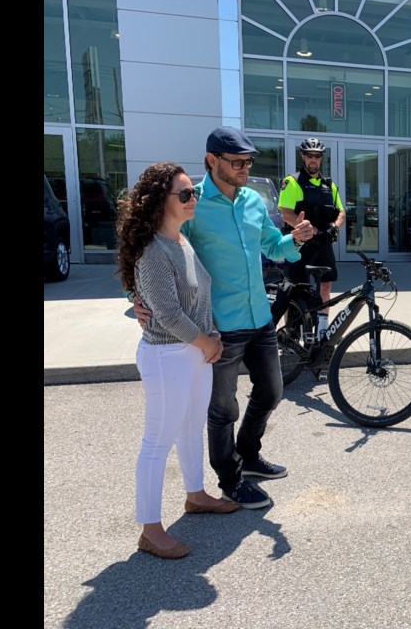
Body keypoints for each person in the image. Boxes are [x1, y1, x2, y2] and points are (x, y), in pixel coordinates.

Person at [134, 127, 317, 509]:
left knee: (271, 391)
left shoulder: (252, 201)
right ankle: (229, 478)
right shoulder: (192, 203)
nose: (244, 169)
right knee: (222, 408)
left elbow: (273, 246)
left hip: (260, 316)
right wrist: (135, 295)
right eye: (236, 162)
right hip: (219, 326)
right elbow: (148, 246)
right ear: (212, 161)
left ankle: (248, 456)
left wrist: (296, 238)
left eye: (248, 162)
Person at [116, 162, 240, 560]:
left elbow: (197, 299)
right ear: (160, 202)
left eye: (194, 193)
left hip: (195, 352)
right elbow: (167, 314)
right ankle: (150, 530)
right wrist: (205, 341)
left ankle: (196, 494)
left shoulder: (183, 242)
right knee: (157, 443)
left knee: (190, 431)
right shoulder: (154, 250)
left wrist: (211, 338)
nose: (193, 200)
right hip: (167, 355)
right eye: (185, 194)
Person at [278, 137, 346, 337]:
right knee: (296, 290)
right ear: (303, 156)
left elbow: (341, 212)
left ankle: (321, 332)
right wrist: (310, 230)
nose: (313, 159)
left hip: (323, 244)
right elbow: (286, 213)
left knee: (325, 286)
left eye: (317, 156)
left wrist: (334, 227)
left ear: (321, 158)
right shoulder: (292, 182)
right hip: (300, 244)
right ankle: (291, 336)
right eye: (309, 155)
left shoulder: (329, 185)